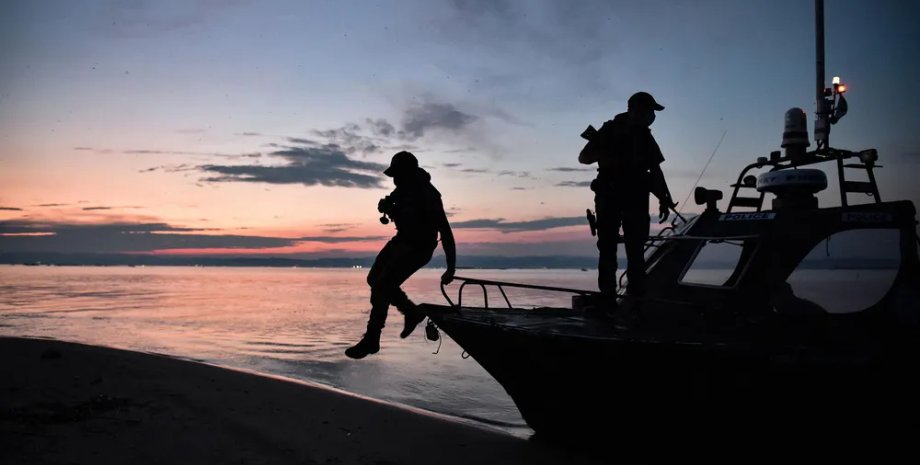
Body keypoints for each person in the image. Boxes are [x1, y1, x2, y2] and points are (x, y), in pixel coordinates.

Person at [345, 151, 456, 359]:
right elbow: (400, 214)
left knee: (382, 285)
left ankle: (373, 337)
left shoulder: (428, 194)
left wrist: (451, 267)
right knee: (373, 280)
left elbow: (446, 231)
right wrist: (387, 208)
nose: (394, 179)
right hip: (401, 241)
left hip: (419, 248)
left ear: (409, 173)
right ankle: (409, 314)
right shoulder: (401, 190)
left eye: (398, 174)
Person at [578, 91, 676, 299]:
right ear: (635, 110)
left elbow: (656, 170)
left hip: (636, 199)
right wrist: (610, 157)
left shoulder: (645, 136)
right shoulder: (608, 130)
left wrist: (664, 198)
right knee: (607, 249)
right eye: (648, 110)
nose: (651, 116)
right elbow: (583, 157)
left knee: (636, 252)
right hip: (609, 197)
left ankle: (636, 301)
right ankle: (608, 299)